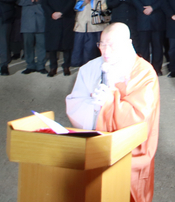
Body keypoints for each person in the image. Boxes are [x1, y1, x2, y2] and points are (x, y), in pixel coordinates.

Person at [66, 23, 160, 202]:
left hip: (129, 154)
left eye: (112, 45)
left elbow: (140, 119)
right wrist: (94, 106)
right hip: (95, 147)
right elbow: (75, 103)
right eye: (102, 44)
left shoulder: (143, 73)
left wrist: (109, 101)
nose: (106, 51)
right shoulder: (89, 68)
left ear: (128, 43)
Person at [131, 0, 166, 75]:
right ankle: (145, 70)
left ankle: (157, 68)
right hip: (143, 18)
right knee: (143, 46)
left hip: (157, 17)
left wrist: (153, 8)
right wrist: (142, 9)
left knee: (157, 45)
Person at [42, 0, 76, 77]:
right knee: (53, 45)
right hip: (52, 20)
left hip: (66, 18)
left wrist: (62, 13)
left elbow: (71, 2)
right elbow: (44, 3)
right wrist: (52, 13)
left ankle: (66, 66)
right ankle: (53, 67)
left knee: (66, 44)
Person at [71, 0, 108, 67]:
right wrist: (84, 3)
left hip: (95, 25)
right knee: (80, 49)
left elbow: (103, 7)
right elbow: (76, 7)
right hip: (82, 24)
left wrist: (91, 2)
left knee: (92, 51)